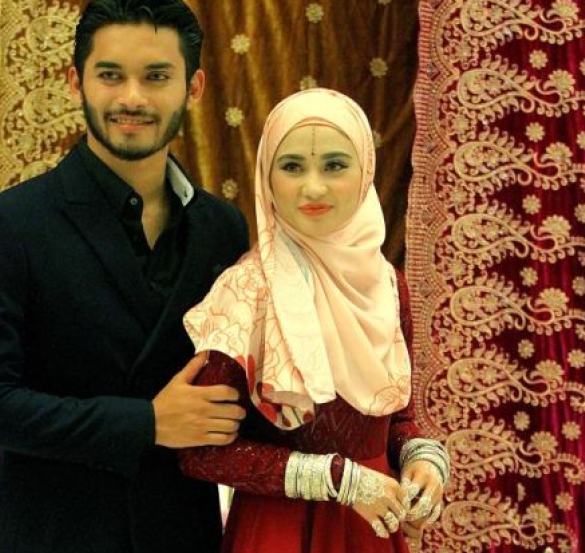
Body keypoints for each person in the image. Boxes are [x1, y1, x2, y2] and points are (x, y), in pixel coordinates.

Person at [0, 1, 249, 552]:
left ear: (194, 87)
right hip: (47, 535)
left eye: (156, 77)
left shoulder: (222, 229)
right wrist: (145, 424)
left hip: (180, 534)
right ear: (75, 82)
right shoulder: (7, 224)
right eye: (110, 75)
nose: (132, 97)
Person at [179, 88, 451, 552]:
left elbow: (395, 418)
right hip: (279, 531)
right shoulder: (247, 292)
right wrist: (334, 479)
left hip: (370, 529)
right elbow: (201, 452)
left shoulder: (388, 286)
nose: (313, 188)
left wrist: (422, 459)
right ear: (267, 178)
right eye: (291, 167)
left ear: (365, 171)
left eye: (334, 165)